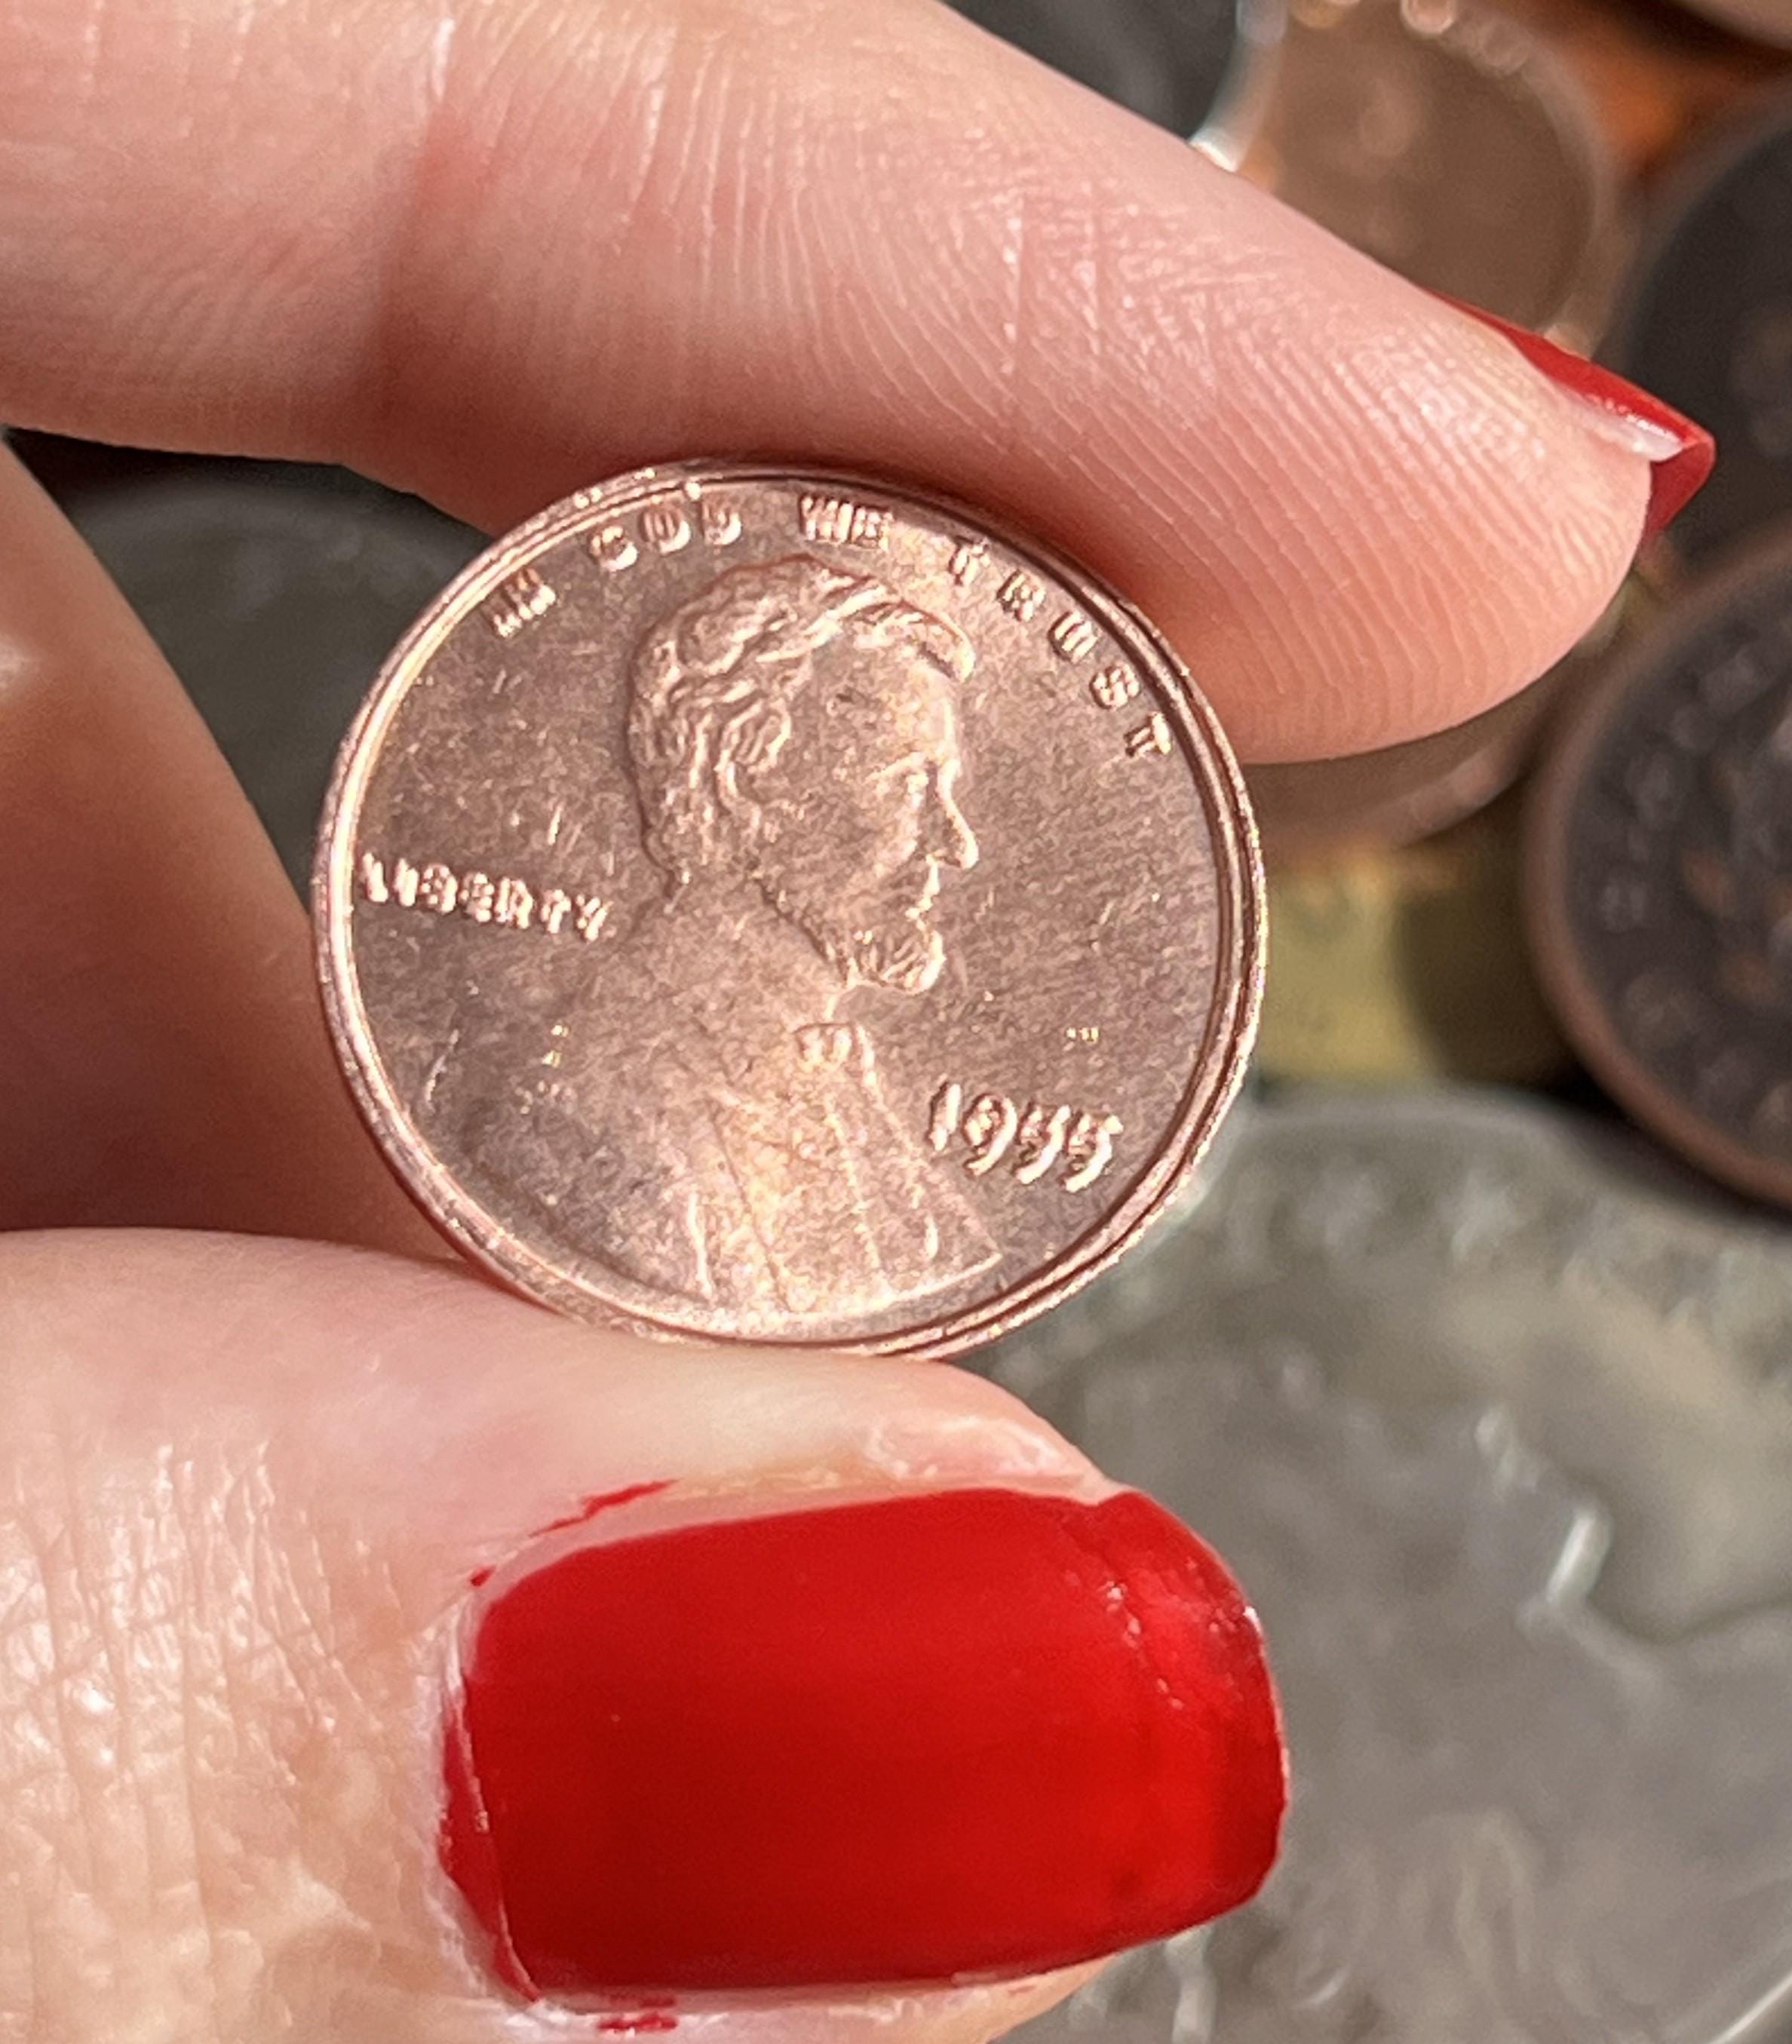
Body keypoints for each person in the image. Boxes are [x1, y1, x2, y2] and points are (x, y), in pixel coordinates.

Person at [0, 0, 1706, 2037]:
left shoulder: (842, 1130)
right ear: (740, 790)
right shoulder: (607, 1110)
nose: (954, 826)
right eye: (902, 778)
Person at [496, 552, 997, 1318]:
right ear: (740, 784)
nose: (954, 843)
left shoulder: (828, 1072)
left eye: (941, 788)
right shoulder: (582, 1120)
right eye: (906, 784)